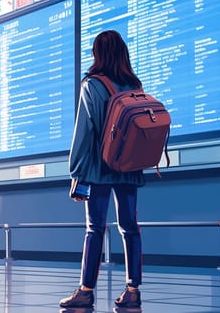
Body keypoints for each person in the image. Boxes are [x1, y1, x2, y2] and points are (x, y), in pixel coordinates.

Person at [59, 30, 145, 309]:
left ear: (97, 54)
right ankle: (133, 290)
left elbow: (84, 132)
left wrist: (77, 174)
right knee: (130, 227)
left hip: (99, 168)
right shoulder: (134, 83)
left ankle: (86, 290)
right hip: (130, 167)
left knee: (95, 228)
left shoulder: (92, 85)